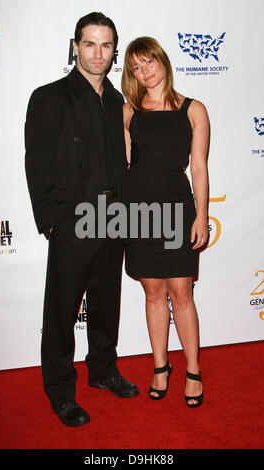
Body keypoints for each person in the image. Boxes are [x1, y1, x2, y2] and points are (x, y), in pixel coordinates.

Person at [25, 12, 139, 428]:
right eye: (89, 44)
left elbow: (120, 162)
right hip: (73, 220)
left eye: (106, 45)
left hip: (113, 218)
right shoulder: (49, 97)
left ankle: (104, 371)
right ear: (75, 46)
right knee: (61, 311)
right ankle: (60, 391)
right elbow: (35, 163)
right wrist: (51, 221)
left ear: (114, 51)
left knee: (106, 303)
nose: (98, 53)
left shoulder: (115, 101)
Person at [121, 37, 209, 406]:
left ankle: (193, 370)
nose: (144, 72)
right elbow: (124, 167)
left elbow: (200, 167)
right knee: (153, 293)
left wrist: (202, 215)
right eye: (136, 68)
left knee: (182, 294)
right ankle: (160, 366)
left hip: (177, 210)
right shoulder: (128, 112)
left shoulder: (194, 109)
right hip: (139, 213)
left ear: (162, 62)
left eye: (148, 63)